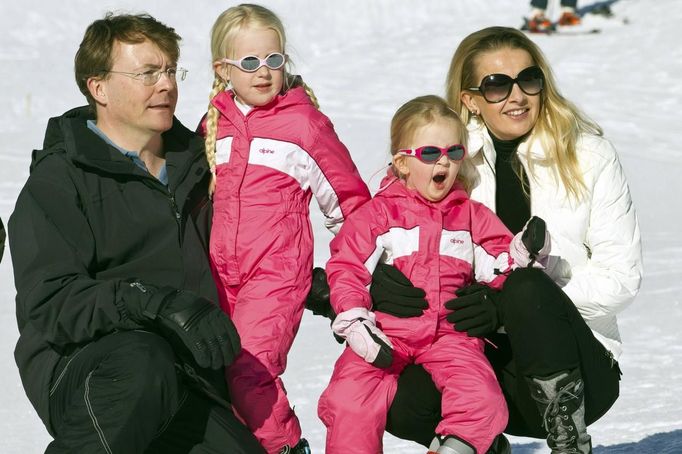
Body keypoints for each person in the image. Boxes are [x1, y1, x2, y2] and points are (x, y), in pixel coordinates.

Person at [307, 26, 642, 454]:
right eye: (497, 85)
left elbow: (621, 280)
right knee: (383, 384)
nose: (516, 95)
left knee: (524, 285)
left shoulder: (589, 157)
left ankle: (569, 443)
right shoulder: (452, 160)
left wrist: (508, 306)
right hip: (482, 364)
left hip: (577, 368)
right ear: (470, 99)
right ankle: (476, 445)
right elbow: (389, 236)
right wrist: (373, 291)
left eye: (529, 79)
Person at [8, 12, 264, 454]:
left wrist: (324, 286)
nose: (166, 85)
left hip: (190, 374)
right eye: (147, 73)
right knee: (143, 362)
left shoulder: (199, 164)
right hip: (88, 369)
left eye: (169, 70)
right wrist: (154, 301)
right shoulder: (59, 180)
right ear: (98, 87)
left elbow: (247, 251)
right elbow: (50, 301)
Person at [317, 95, 550, 454]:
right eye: (430, 154)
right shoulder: (377, 216)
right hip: (386, 334)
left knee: (482, 400)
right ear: (403, 163)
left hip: (452, 337)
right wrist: (355, 321)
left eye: (453, 153)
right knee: (349, 400)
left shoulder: (470, 216)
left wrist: (523, 252)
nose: (444, 162)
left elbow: (499, 266)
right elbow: (348, 268)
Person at [197, 4, 371, 453]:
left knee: (250, 371)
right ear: (223, 70)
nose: (264, 72)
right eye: (250, 63)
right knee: (216, 372)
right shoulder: (211, 127)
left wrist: (351, 274)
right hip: (217, 275)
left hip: (276, 273)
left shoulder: (304, 126)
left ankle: (287, 447)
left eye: (274, 61)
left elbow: (350, 204)